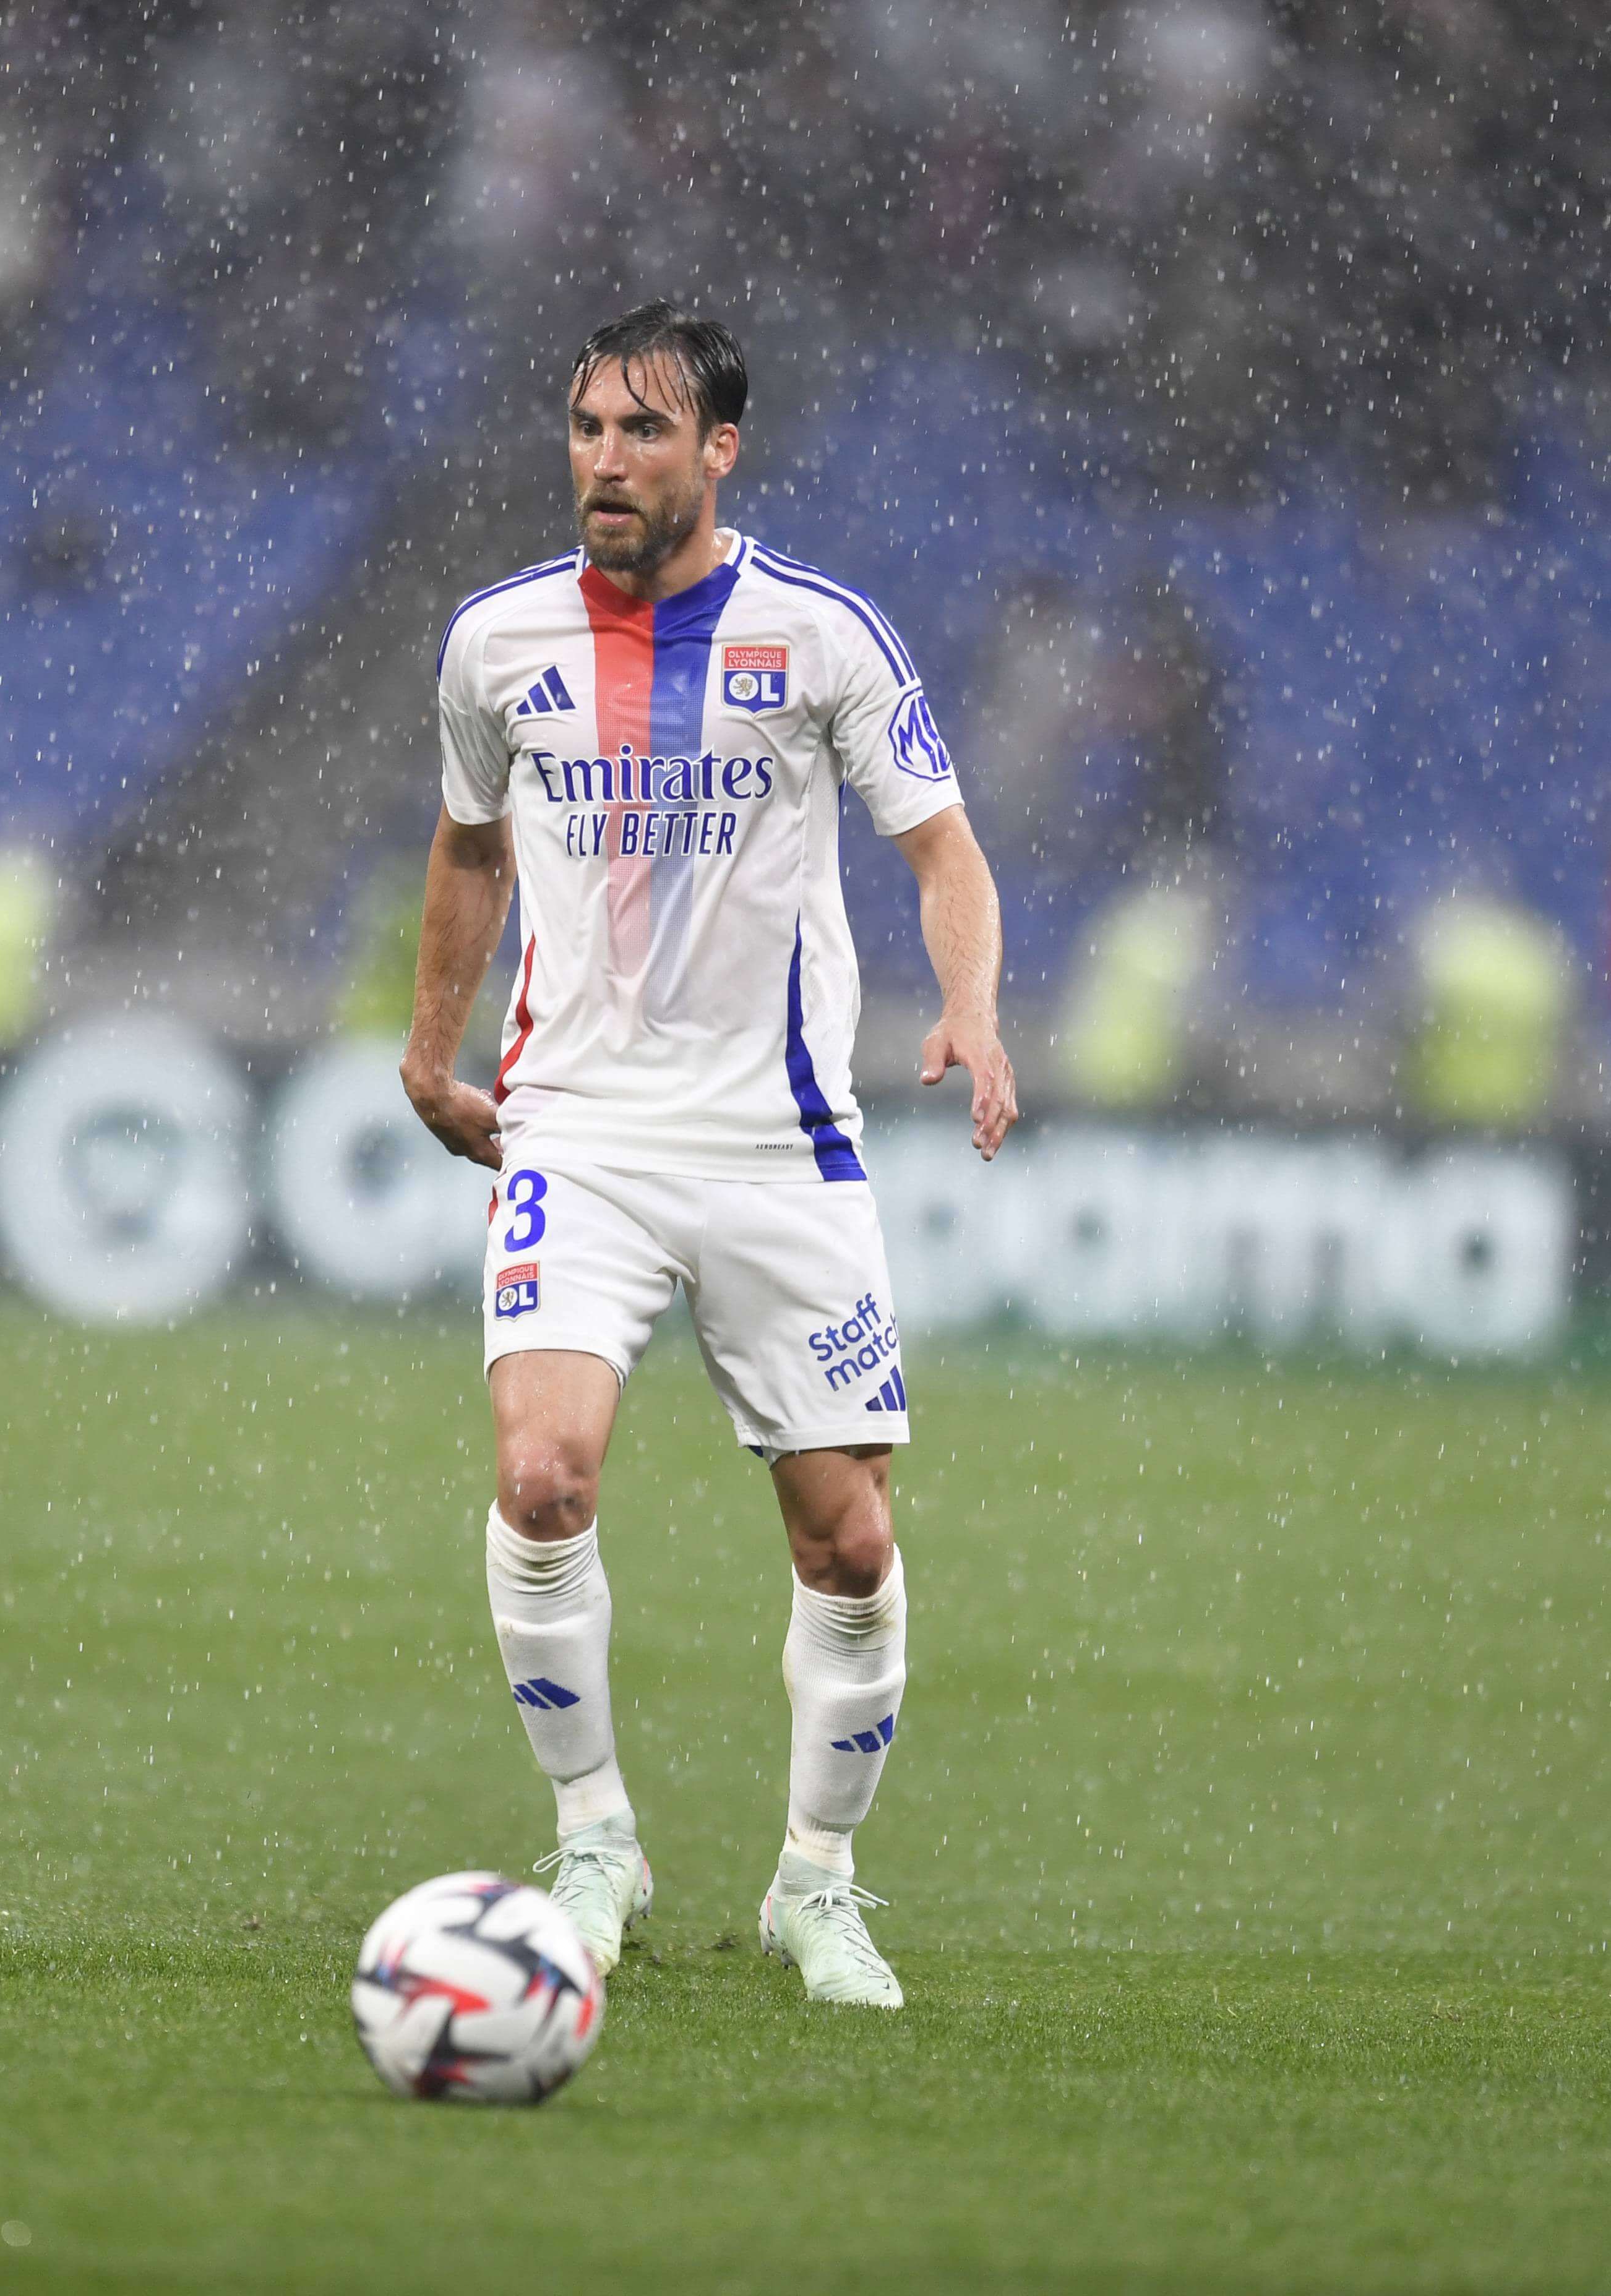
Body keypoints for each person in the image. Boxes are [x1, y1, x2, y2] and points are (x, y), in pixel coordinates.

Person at [400, 303, 1016, 2010]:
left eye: (645, 433)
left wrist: (970, 1009)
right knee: (544, 1481)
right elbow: (466, 853)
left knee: (851, 1550)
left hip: (778, 1146)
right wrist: (428, 1040)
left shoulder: (822, 639)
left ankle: (818, 1885)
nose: (608, 459)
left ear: (717, 450)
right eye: (589, 427)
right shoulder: (496, 641)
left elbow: (945, 853)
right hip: (578, 1134)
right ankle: (593, 1836)